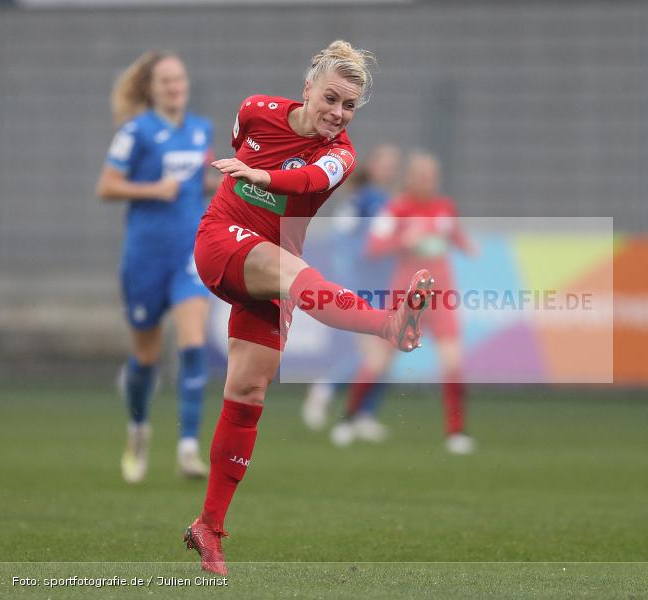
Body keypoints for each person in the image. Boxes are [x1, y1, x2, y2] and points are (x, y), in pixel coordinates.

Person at [182, 41, 433, 576]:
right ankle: (390, 325)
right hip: (223, 240)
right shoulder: (255, 109)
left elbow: (306, 181)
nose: (338, 114)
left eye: (349, 107)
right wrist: (247, 179)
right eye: (331, 99)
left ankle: (209, 527)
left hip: (273, 262)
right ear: (308, 89)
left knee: (248, 391)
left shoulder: (341, 154)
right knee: (298, 278)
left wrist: (261, 177)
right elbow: (242, 143)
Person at [96, 51, 217, 484]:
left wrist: (229, 179)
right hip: (145, 258)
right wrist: (152, 189)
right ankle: (138, 430)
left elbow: (196, 181)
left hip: (188, 254)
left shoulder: (202, 130)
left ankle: (188, 448)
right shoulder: (135, 132)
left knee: (192, 343)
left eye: (179, 79)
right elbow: (106, 186)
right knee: (145, 359)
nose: (174, 87)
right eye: (165, 80)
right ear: (150, 88)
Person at [334, 152, 477, 455]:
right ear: (410, 178)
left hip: (441, 297)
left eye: (431, 176)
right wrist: (405, 241)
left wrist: (466, 245)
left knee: (452, 362)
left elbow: (458, 238)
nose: (427, 181)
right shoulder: (396, 210)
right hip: (406, 298)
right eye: (421, 176)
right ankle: (348, 420)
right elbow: (373, 247)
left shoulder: (444, 208)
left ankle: (456, 432)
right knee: (379, 361)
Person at [301, 144, 402, 442]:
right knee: (375, 356)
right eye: (385, 162)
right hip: (365, 284)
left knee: (386, 354)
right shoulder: (372, 200)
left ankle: (363, 414)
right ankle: (328, 389)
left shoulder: (370, 198)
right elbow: (359, 243)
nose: (390, 168)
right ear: (372, 166)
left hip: (380, 283)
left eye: (393, 163)